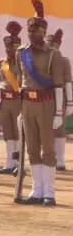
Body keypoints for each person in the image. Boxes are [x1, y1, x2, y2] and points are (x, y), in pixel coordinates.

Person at [17, 0, 68, 205]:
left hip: (46, 103)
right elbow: (22, 80)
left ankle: (49, 192)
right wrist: (21, 109)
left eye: (35, 31)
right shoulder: (22, 53)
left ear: (43, 31)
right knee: (31, 147)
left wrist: (59, 113)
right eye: (29, 31)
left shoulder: (54, 55)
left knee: (47, 148)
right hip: (27, 104)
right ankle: (36, 190)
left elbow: (58, 85)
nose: (32, 34)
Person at [0, 22, 24, 174]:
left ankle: (19, 163)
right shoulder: (0, 63)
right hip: (4, 101)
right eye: (7, 47)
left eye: (12, 48)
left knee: (19, 133)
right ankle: (9, 162)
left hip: (18, 101)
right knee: (7, 133)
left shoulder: (23, 64)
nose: (9, 50)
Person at [50, 28, 70, 171]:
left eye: (54, 44)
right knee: (45, 128)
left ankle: (61, 159)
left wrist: (70, 103)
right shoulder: (42, 59)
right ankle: (48, 156)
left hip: (59, 97)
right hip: (43, 96)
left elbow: (68, 82)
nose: (52, 46)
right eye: (49, 44)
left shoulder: (64, 60)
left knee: (60, 129)